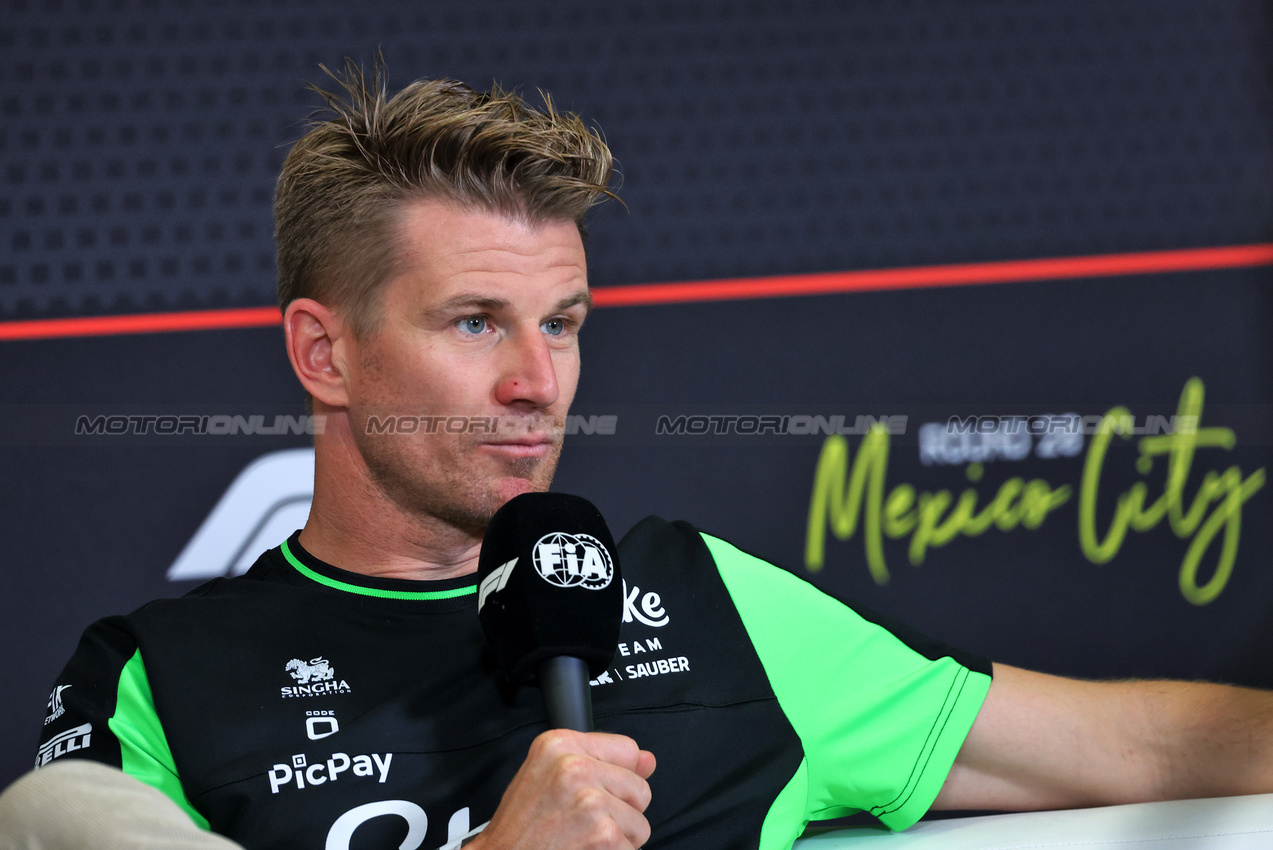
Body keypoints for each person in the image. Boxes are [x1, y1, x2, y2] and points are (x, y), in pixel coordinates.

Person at [17, 61, 1273, 850]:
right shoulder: (155, 682)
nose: (536, 381)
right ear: (323, 352)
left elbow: (1146, 752)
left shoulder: (707, 601)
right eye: (474, 322)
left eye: (560, 324)